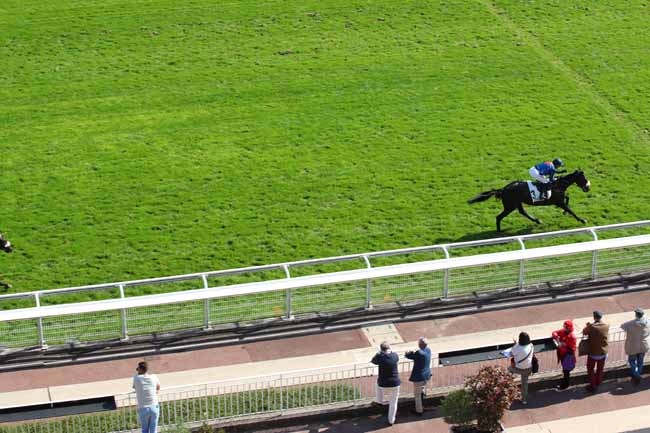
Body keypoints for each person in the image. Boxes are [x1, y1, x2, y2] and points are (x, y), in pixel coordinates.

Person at [371, 341, 401, 425]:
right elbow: (395, 357)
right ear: (389, 348)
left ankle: (379, 401)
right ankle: (391, 420)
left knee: (377, 384)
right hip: (395, 383)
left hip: (383, 383)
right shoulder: (395, 355)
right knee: (393, 402)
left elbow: (373, 361)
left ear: (381, 349)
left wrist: (378, 353)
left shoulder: (380, 357)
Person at [621, 308, 649, 386]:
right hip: (643, 345)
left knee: (632, 361)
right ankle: (638, 374)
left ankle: (636, 375)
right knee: (640, 361)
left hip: (632, 346)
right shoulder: (648, 322)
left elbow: (622, 326)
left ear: (636, 315)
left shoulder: (630, 324)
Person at [582, 311, 609, 392]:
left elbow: (584, 332)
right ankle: (598, 382)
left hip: (593, 352)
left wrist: (588, 325)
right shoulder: (606, 326)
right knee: (600, 369)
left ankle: (593, 385)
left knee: (590, 369)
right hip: (603, 352)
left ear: (594, 317)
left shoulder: (592, 326)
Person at [405, 337, 432, 416]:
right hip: (426, 375)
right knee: (422, 391)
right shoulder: (428, 350)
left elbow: (409, 356)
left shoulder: (419, 353)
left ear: (419, 344)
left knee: (417, 395)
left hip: (419, 377)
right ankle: (423, 405)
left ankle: (419, 411)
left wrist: (407, 353)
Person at [132, 361, 161, 433]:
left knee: (145, 430)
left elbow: (134, 387)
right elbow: (158, 387)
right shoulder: (154, 376)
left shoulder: (136, 378)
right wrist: (156, 391)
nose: (137, 370)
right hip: (154, 406)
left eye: (137, 369)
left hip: (143, 407)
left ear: (140, 369)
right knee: (153, 430)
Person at [508, 332, 534, 405]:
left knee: (508, 370)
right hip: (528, 368)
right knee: (524, 383)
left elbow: (511, 353)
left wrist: (515, 344)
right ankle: (524, 400)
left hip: (518, 368)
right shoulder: (531, 345)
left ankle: (507, 384)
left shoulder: (517, 347)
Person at [552, 320, 577, 389]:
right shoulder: (563, 331)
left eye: (565, 326)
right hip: (563, 355)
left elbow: (572, 349)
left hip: (567, 356)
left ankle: (565, 385)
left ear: (568, 328)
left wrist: (563, 345)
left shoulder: (572, 337)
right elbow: (554, 332)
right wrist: (556, 336)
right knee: (565, 370)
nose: (563, 327)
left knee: (566, 371)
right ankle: (565, 382)